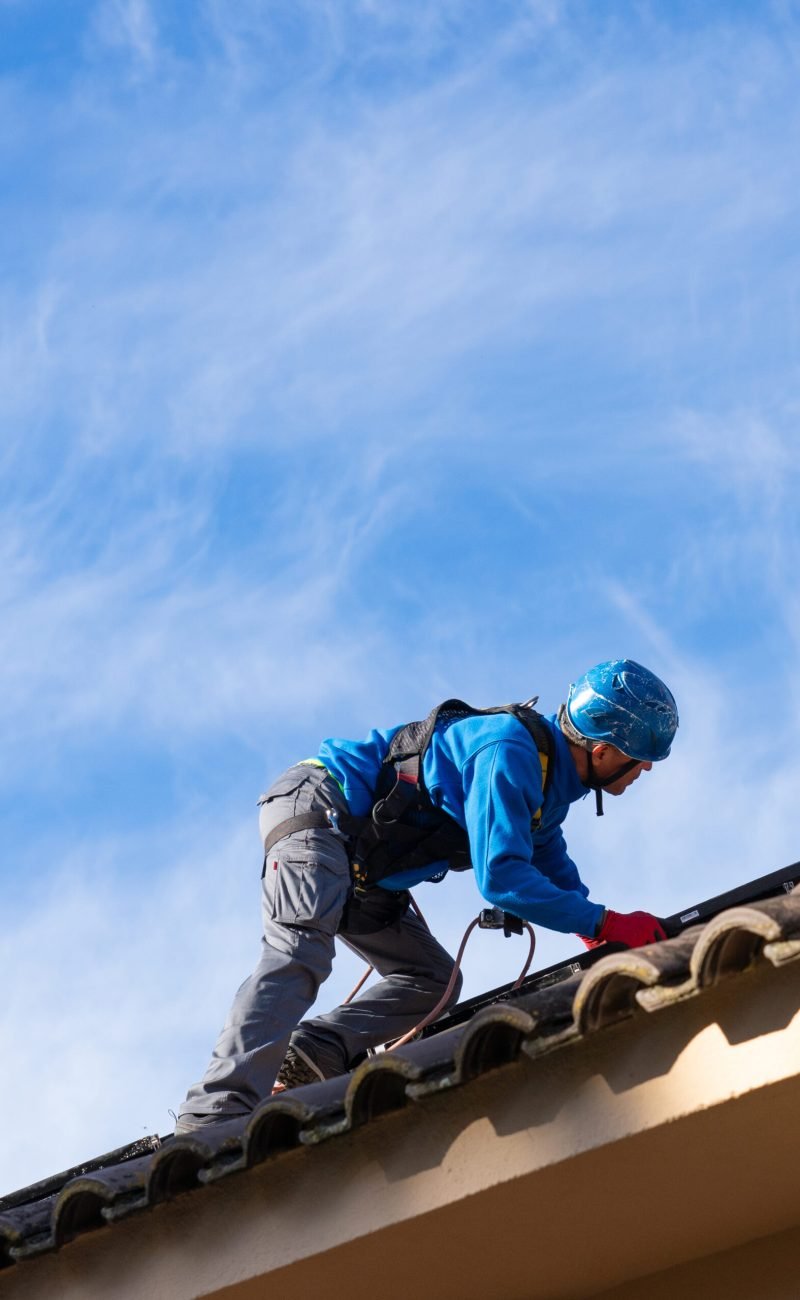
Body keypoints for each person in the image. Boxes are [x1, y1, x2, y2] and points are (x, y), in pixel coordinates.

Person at [175, 658, 677, 1133]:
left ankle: (317, 1050)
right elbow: (503, 877)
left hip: (364, 869)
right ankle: (214, 1114)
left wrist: (595, 936)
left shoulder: (549, 786)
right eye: (641, 758)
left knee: (433, 981)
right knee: (300, 949)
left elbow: (552, 867)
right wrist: (606, 924)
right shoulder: (509, 751)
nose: (646, 771)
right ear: (603, 749)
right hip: (322, 812)